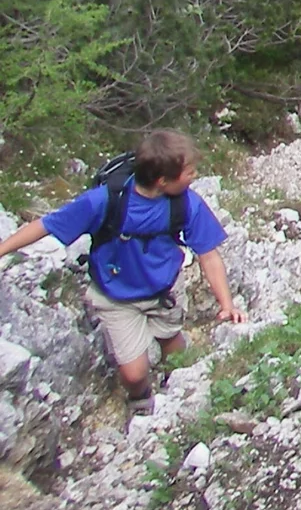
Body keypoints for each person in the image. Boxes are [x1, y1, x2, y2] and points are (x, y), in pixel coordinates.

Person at [0, 131, 245, 416]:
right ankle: (140, 399)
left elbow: (208, 255)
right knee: (134, 374)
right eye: (189, 172)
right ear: (162, 181)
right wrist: (2, 250)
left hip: (164, 289)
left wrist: (226, 305)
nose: (195, 176)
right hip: (115, 296)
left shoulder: (187, 203)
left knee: (173, 344)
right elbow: (47, 225)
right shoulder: (104, 201)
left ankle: (178, 380)